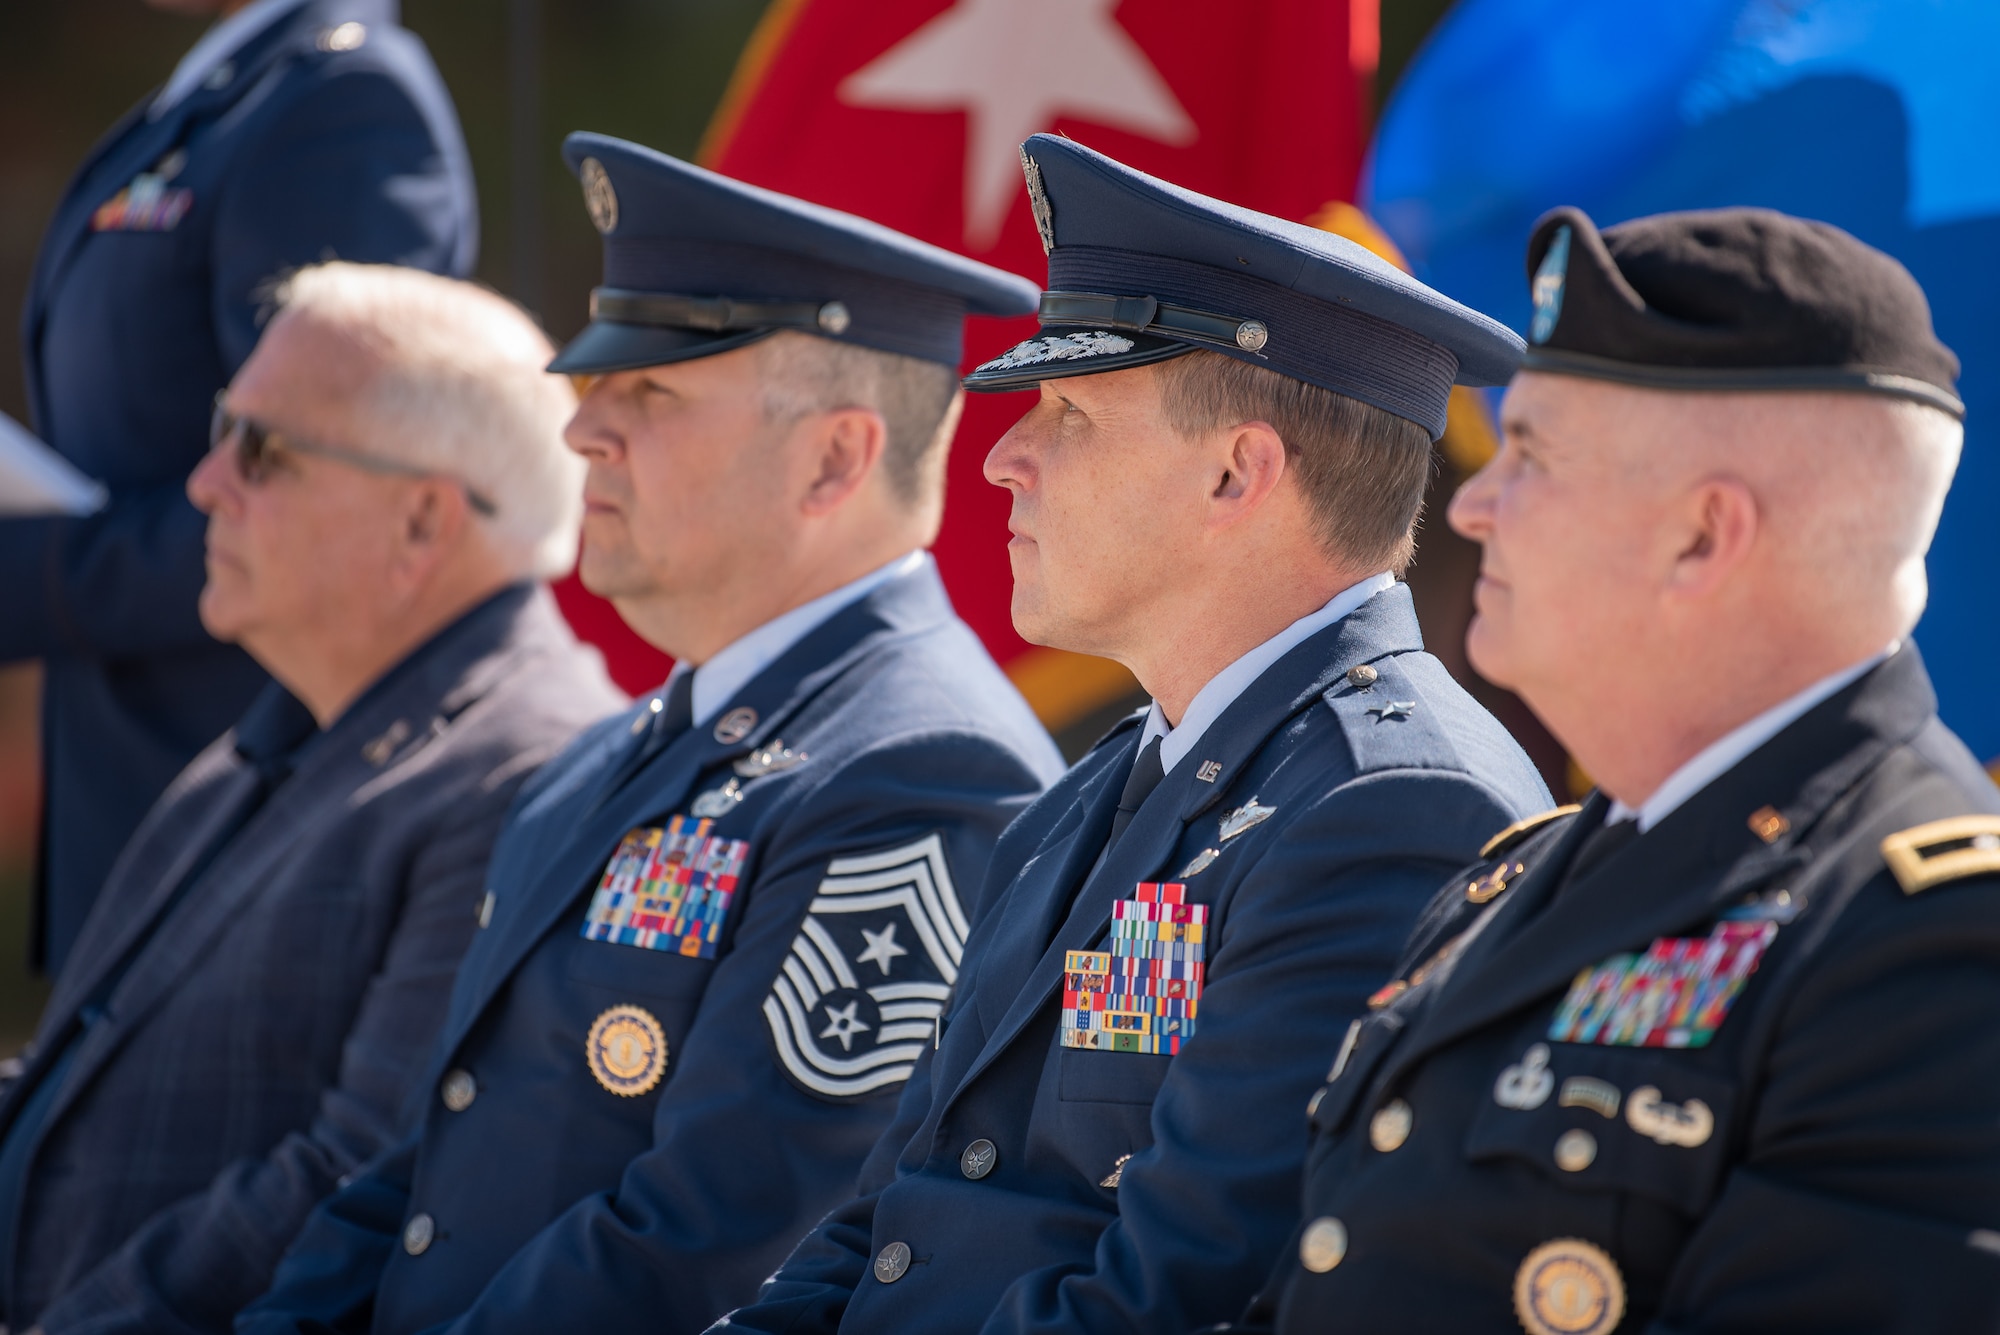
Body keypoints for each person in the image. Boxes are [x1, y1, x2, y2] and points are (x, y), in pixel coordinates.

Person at [713, 134, 1551, 1335]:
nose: (1003, 458)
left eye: (1068, 413)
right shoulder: (1096, 788)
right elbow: (880, 1223)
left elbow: (1179, 1296)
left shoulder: (1396, 805)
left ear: (1233, 474)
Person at [238, 135, 1064, 1335]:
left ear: (835, 456)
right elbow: (422, 1170)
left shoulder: (923, 769)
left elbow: (714, 1245)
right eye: (595, 385)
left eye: (654, 393)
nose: (582, 433)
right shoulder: (612, 753)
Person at [1239, 207, 2000, 1334]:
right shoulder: (1512, 877)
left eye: (1531, 456)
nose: (1470, 503)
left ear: (1701, 536)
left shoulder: (1932, 942)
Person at [0, 263, 618, 1334]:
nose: (204, 483)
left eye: (262, 449)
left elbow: (359, 1174)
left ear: (423, 523)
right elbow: (77, 1082)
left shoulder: (530, 770)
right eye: (219, 428)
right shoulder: (279, 733)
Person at [5, 0, 477, 973]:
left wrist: (30, 575)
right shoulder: (232, 94)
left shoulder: (344, 101)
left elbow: (332, 503)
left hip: (247, 840)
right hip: (145, 818)